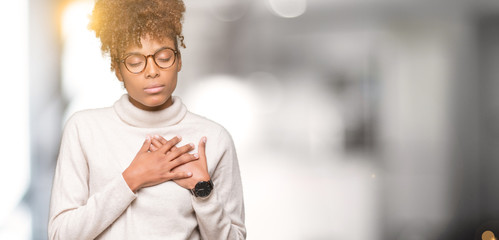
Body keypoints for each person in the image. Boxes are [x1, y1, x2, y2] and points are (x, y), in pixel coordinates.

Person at [48, 0, 246, 239]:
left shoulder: (213, 138)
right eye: (135, 62)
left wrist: (203, 192)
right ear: (117, 69)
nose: (152, 71)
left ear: (179, 60)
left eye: (163, 57)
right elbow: (60, 235)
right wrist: (132, 178)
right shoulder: (84, 130)